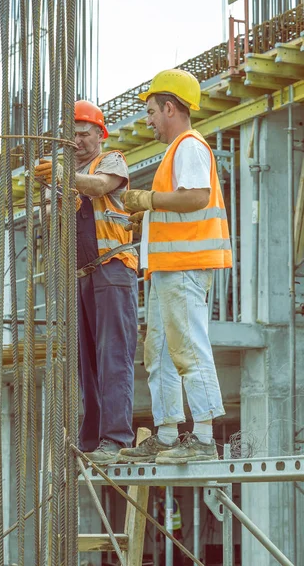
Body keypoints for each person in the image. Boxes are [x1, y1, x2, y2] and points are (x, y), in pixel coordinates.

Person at [118, 69, 232, 465]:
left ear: (170, 108)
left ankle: (202, 437)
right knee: (162, 352)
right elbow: (178, 206)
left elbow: (196, 197)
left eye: (151, 111)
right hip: (168, 268)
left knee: (187, 347)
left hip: (185, 267)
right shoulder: (178, 151)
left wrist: (148, 202)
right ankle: (167, 433)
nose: (147, 120)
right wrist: (146, 219)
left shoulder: (188, 146)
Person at [35, 100, 138, 465]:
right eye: (72, 135)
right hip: (81, 277)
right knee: (87, 362)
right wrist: (53, 193)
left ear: (99, 134)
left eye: (84, 134)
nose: (77, 141)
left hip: (112, 269)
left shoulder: (111, 161)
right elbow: (50, 217)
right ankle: (94, 437)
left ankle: (116, 437)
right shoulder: (59, 174)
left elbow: (99, 187)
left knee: (113, 356)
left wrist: (62, 179)